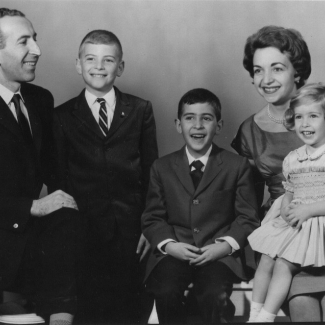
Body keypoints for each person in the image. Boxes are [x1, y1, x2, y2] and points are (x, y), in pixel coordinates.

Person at [53, 30, 158, 324]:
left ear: (120, 67)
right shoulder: (61, 116)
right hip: (83, 231)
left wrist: (148, 225)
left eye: (108, 60)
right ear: (78, 65)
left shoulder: (140, 110)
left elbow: (152, 173)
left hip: (131, 231)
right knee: (90, 309)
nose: (99, 67)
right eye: (91, 59)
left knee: (131, 307)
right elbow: (59, 178)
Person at [231, 26, 325, 322]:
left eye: (277, 68)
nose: (266, 80)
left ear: (297, 71)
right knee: (301, 304)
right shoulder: (249, 130)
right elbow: (245, 200)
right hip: (283, 231)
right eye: (258, 71)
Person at [141, 88, 259, 324]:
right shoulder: (161, 167)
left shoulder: (237, 166)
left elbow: (248, 217)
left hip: (218, 254)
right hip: (175, 251)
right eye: (189, 118)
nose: (197, 126)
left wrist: (223, 247)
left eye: (206, 118)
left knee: (213, 294)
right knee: (165, 290)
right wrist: (170, 246)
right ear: (178, 124)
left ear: (219, 125)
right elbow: (153, 217)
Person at [0, 8, 81, 325]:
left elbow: (56, 172)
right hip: (5, 232)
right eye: (24, 42)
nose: (37, 50)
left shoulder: (39, 99)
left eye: (35, 39)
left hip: (35, 239)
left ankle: (61, 317)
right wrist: (30, 207)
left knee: (72, 218)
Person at [247, 83, 325, 322]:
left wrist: (309, 209)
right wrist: (284, 208)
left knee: (284, 263)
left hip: (319, 224)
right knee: (269, 258)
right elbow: (289, 190)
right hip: (298, 223)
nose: (304, 123)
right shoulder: (293, 158)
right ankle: (256, 313)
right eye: (299, 117)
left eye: (313, 116)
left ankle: (267, 316)